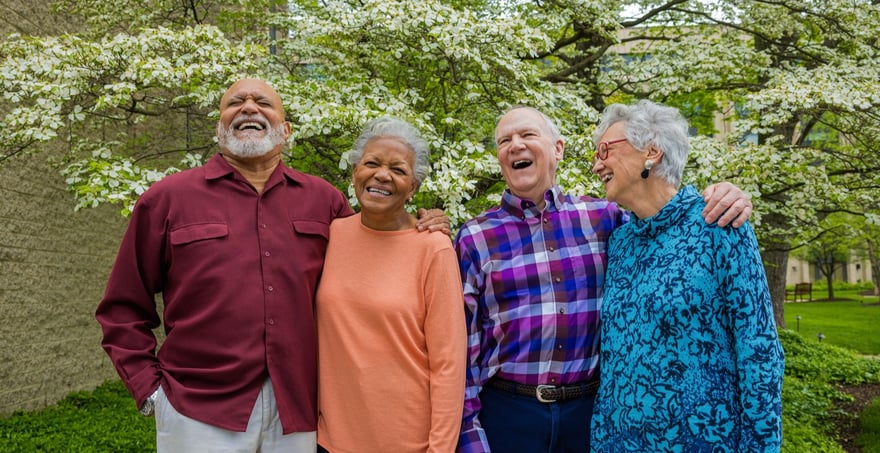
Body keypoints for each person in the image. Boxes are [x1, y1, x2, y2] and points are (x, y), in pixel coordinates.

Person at [95, 78, 448, 452]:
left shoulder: (323, 201)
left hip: (300, 410)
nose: (249, 107)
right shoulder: (167, 200)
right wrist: (150, 391)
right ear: (218, 127)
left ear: (286, 130)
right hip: (198, 411)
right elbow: (122, 308)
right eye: (235, 102)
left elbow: (374, 246)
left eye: (263, 102)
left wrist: (420, 223)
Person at [454, 105, 754, 452]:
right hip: (508, 413)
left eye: (527, 135)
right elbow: (461, 353)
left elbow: (664, 228)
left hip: (588, 415)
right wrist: (470, 438)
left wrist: (725, 194)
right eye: (504, 140)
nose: (514, 145)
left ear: (558, 149)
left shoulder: (607, 220)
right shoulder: (474, 238)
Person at [588, 100, 783, 451]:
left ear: (652, 151)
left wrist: (761, 446)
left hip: (703, 441)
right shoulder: (620, 242)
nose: (595, 164)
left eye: (605, 150)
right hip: (619, 443)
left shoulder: (720, 225)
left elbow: (760, 352)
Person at [315, 116, 466, 453]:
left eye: (398, 170)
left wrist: (440, 449)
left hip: (408, 443)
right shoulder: (330, 235)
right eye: (372, 163)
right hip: (330, 440)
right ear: (355, 173)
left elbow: (449, 364)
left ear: (413, 188)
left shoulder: (433, 248)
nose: (382, 175)